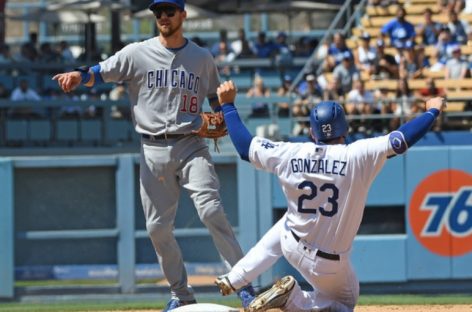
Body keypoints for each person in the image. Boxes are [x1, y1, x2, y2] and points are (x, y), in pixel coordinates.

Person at [52, 1, 254, 311]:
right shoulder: (136, 53)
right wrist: (78, 76)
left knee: (211, 212)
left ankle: (245, 285)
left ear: (182, 16)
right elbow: (100, 71)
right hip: (151, 149)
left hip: (191, 143)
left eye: (169, 11)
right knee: (158, 229)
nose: (163, 17)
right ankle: (182, 295)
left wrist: (222, 115)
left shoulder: (201, 57)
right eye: (158, 12)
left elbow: (216, 99)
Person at [214, 80, 446, 312]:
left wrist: (228, 106)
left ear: (312, 133)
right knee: (345, 304)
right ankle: (294, 299)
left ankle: (235, 278)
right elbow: (402, 138)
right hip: (328, 264)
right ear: (345, 129)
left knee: (288, 222)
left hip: (291, 243)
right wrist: (432, 110)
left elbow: (245, 148)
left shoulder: (289, 152)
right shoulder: (358, 155)